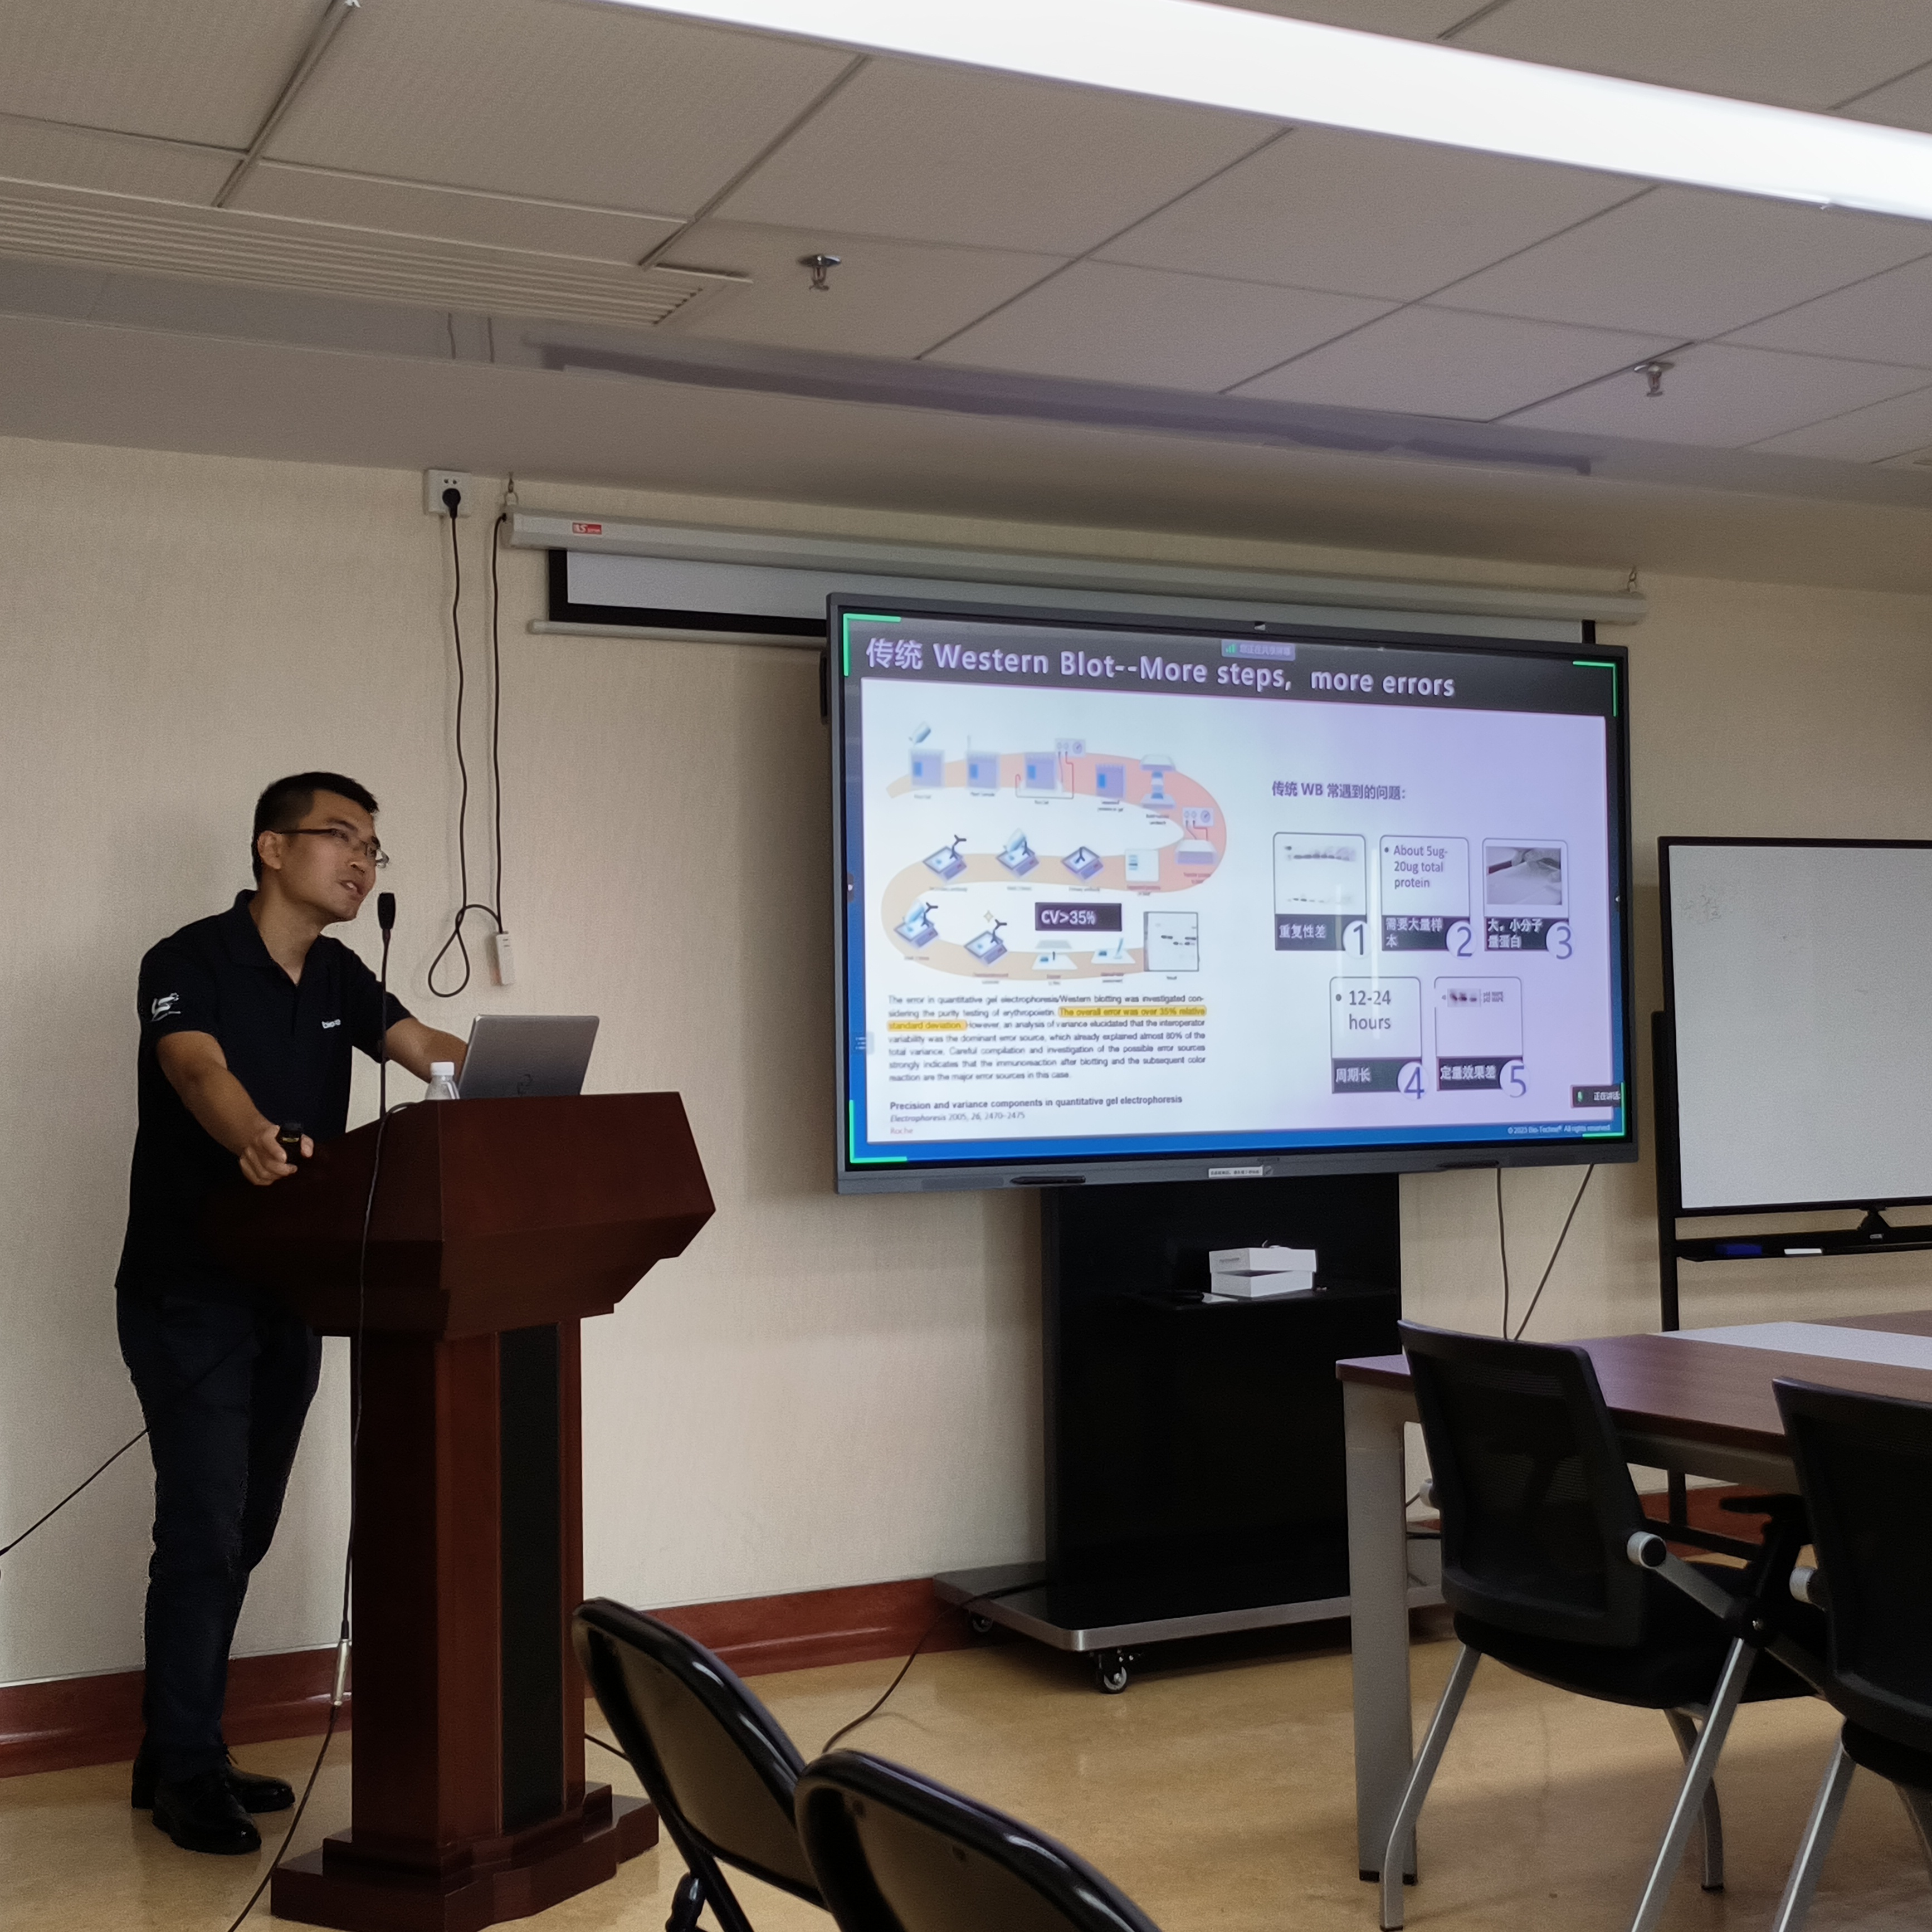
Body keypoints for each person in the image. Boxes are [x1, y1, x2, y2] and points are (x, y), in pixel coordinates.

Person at [116, 773, 469, 1855]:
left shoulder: (341, 974)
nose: (362, 861)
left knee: (246, 1528)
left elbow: (423, 1048)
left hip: (294, 1290)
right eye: (340, 837)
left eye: (374, 847)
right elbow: (194, 1069)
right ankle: (185, 1770)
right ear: (273, 847)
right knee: (204, 1529)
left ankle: (176, 1746)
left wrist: (519, 1089)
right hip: (188, 1292)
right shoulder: (188, 959)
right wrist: (253, 1136)